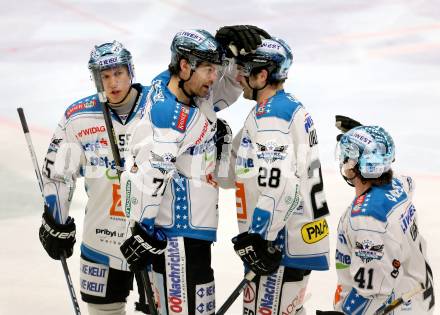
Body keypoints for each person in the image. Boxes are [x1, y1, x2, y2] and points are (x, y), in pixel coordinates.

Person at [118, 26, 271, 315]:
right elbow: (149, 178)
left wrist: (227, 54)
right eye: (209, 70)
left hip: (191, 236)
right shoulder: (170, 117)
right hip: (177, 240)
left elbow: (226, 89)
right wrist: (143, 230)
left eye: (216, 69)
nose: (214, 78)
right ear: (185, 66)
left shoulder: (173, 85)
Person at [38, 40, 154, 314]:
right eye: (105, 76)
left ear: (131, 71)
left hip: (152, 238)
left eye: (119, 73)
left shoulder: (158, 107)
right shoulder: (78, 117)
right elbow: (58, 176)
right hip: (102, 237)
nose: (113, 83)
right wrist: (56, 220)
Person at [230, 37, 330, 315]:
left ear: (261, 75)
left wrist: (259, 239)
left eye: (245, 70)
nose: (238, 77)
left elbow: (282, 184)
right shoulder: (285, 107)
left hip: (279, 245)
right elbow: (234, 173)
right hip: (294, 239)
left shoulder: (272, 116)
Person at [321, 125, 435, 315]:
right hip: (417, 299)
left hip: (395, 308)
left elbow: (372, 292)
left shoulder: (368, 220)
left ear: (355, 164)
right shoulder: (398, 186)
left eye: (347, 155)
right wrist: (373, 144)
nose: (343, 160)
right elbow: (405, 180)